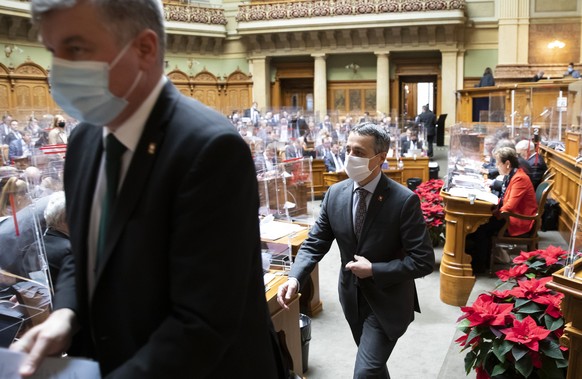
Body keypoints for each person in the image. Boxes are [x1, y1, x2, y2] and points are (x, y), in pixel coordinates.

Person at [12, 1, 286, 378]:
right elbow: (86, 249)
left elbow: (204, 322)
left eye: (75, 49)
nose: (56, 69)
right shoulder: (84, 141)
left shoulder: (209, 148)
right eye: (52, 52)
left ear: (144, 48)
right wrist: (67, 313)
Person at [277, 123, 435, 379]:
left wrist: (374, 270)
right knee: (372, 364)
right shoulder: (334, 194)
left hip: (388, 301)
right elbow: (315, 242)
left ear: (380, 158)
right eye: (348, 149)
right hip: (351, 298)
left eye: (359, 152)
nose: (350, 157)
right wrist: (295, 277)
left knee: (365, 371)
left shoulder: (404, 200)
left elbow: (424, 261)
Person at [466, 147, 537, 273]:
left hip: (516, 220)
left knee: (479, 227)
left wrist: (492, 213)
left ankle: (479, 266)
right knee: (479, 223)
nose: (497, 166)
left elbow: (509, 206)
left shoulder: (519, 178)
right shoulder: (513, 174)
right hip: (508, 215)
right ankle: (479, 260)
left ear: (507, 164)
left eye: (498, 163)